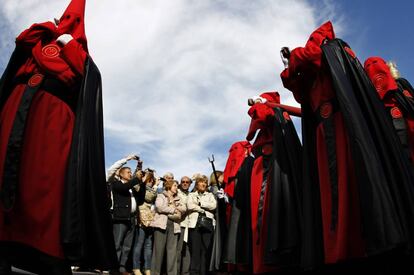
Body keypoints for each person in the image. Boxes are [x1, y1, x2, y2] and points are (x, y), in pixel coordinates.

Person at [280, 21, 414, 269]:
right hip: (325, 131)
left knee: (350, 183)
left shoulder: (330, 50)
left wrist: (294, 57)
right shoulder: (314, 71)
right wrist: (289, 70)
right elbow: (300, 95)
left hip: (341, 128)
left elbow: (311, 53)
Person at [0, 0, 117, 273]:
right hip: (17, 109)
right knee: (8, 171)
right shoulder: (37, 42)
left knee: (44, 180)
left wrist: (67, 42)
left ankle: (47, 250)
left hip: (52, 122)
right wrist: (43, 31)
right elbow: (21, 44)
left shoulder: (77, 52)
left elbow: (87, 76)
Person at [364, 57, 414, 163]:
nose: (373, 67)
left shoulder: (401, 85)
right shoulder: (371, 101)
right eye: (368, 66)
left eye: (376, 63)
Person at [112, 165, 145, 275]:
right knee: (117, 244)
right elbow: (123, 188)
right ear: (121, 174)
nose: (130, 174)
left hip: (131, 219)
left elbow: (140, 200)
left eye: (131, 172)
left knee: (127, 246)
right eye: (128, 172)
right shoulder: (117, 184)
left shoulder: (132, 188)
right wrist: (136, 179)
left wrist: (143, 183)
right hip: (121, 218)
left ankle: (122, 267)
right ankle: (114, 267)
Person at [151, 179, 186, 275]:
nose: (177, 188)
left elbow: (183, 209)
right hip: (161, 226)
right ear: (169, 186)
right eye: (175, 185)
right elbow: (159, 207)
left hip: (174, 226)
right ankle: (155, 273)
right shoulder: (161, 196)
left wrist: (173, 208)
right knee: (158, 251)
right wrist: (173, 210)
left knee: (172, 252)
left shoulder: (178, 198)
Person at [187, 175, 217, 275]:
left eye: (205, 182)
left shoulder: (210, 195)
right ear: (197, 184)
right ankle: (194, 272)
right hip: (194, 224)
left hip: (208, 224)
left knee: (206, 250)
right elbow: (190, 205)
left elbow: (213, 206)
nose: (204, 184)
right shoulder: (191, 195)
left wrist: (201, 204)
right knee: (195, 250)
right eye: (201, 182)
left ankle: (205, 272)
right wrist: (202, 209)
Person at [133, 169, 158, 275]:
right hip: (142, 218)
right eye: (150, 180)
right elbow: (149, 196)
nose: (152, 182)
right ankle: (136, 267)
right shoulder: (140, 187)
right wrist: (155, 186)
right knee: (139, 243)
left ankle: (147, 268)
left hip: (151, 219)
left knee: (148, 245)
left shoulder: (153, 190)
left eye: (153, 181)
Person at [177, 176, 192, 275]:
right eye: (183, 182)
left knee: (187, 250)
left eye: (187, 182)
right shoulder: (177, 193)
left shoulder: (191, 194)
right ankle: (176, 272)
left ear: (190, 184)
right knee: (178, 250)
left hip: (190, 225)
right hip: (180, 224)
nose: (185, 183)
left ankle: (185, 272)